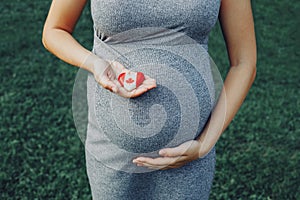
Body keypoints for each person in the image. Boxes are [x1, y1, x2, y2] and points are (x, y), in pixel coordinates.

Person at [42, 0, 256, 199]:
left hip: (189, 155)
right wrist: (95, 63)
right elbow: (54, 30)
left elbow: (243, 62)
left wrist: (205, 143)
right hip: (112, 151)